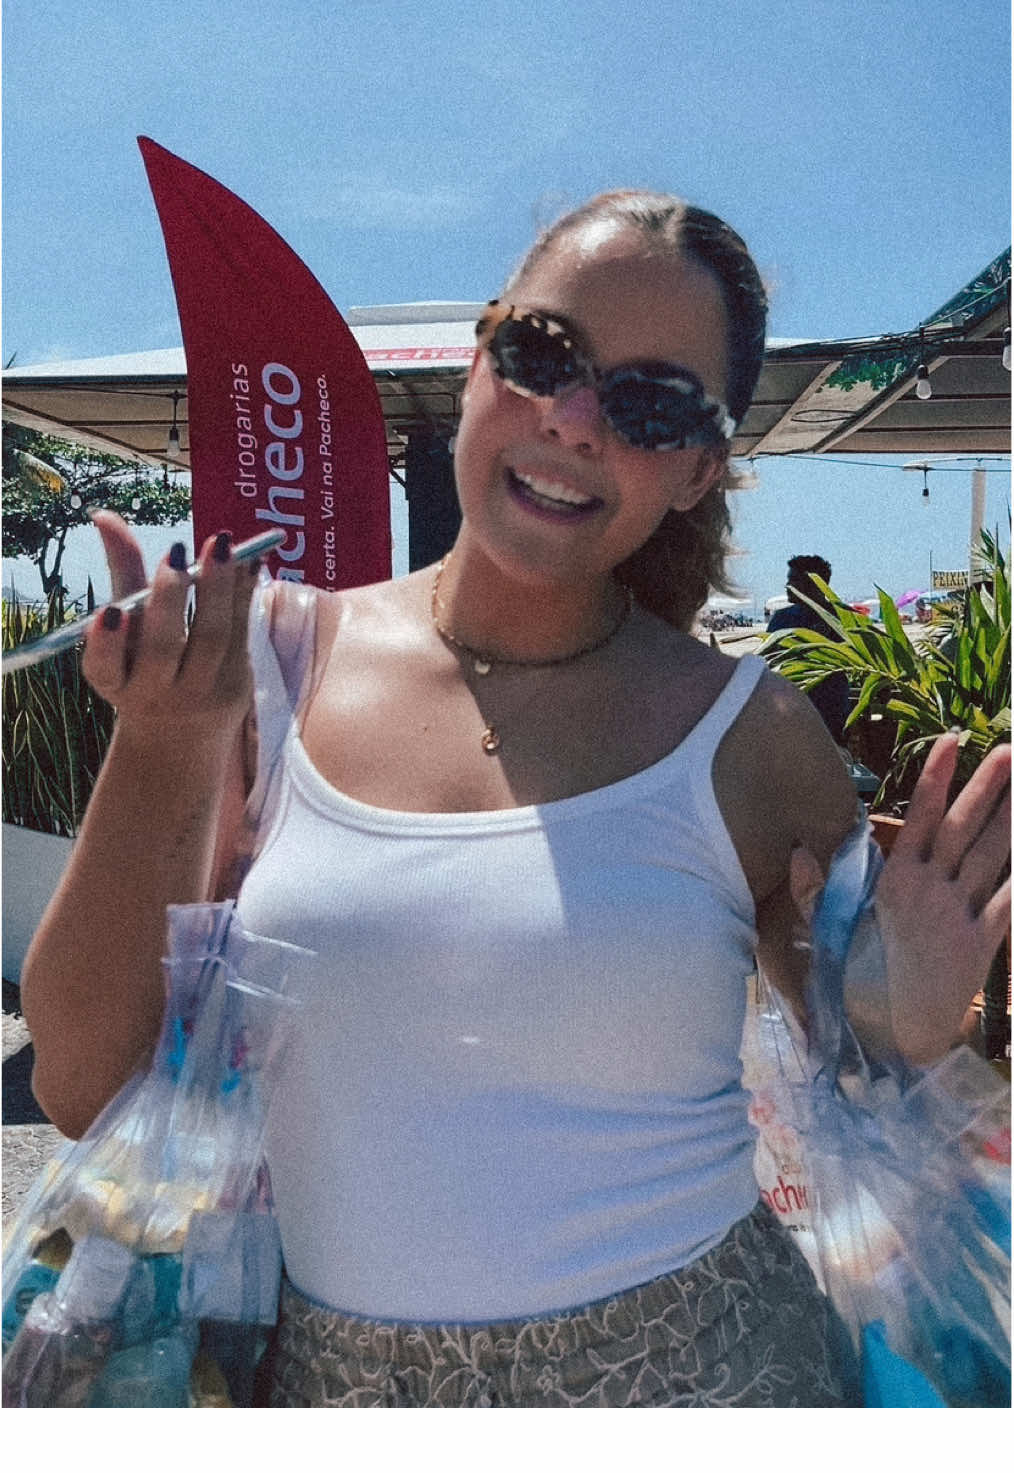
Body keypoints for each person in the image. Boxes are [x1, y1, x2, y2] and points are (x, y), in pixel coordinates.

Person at [19, 191, 1011, 1408]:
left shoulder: (748, 735)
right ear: (482, 355)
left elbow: (866, 1068)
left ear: (700, 469)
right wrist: (167, 738)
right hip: (342, 1397)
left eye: (652, 406)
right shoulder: (266, 671)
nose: (574, 421)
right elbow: (79, 1083)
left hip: (708, 1380)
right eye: (544, 353)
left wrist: (905, 1020)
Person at [765, 554, 850, 744]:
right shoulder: (782, 618)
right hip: (790, 705)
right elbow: (769, 660)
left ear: (814, 583)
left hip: (830, 708)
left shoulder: (843, 617)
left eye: (793, 579)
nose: (787, 585)